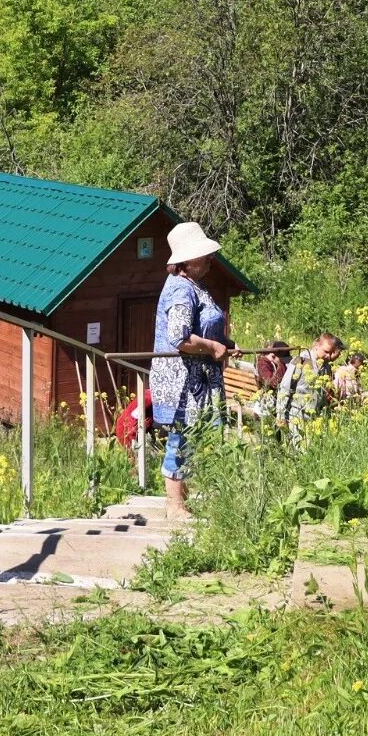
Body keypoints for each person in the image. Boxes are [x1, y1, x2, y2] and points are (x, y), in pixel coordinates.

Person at [150, 220, 233, 517]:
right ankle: (174, 505)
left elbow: (204, 327)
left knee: (191, 435)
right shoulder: (179, 291)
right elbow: (180, 337)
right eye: (204, 254)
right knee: (181, 435)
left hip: (198, 376)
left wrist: (224, 343)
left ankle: (181, 500)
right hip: (182, 379)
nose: (210, 259)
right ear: (187, 260)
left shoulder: (194, 286)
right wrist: (212, 348)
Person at [272, 332, 344, 440]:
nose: (328, 356)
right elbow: (285, 388)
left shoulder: (326, 365)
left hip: (315, 416)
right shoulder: (301, 360)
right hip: (297, 414)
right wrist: (281, 416)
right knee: (299, 448)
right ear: (317, 346)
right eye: (326, 352)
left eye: (331, 353)